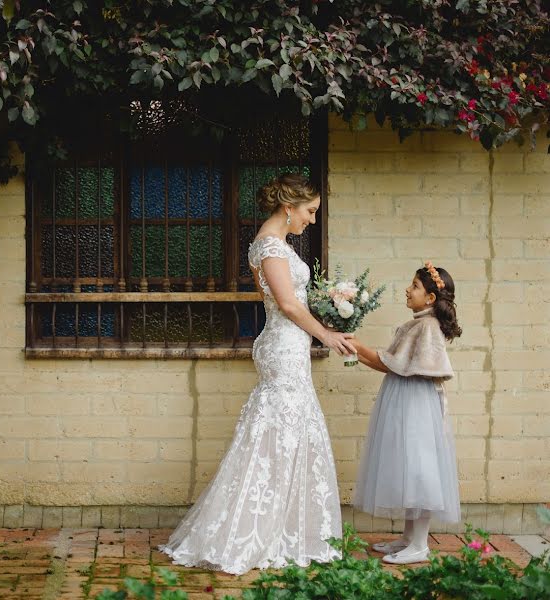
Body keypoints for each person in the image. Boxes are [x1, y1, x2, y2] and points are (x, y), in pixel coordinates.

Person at [159, 174, 356, 574]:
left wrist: (329, 304)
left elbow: (294, 297)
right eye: (310, 212)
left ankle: (282, 528)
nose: (312, 220)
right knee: (279, 435)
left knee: (282, 434)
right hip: (283, 348)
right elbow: (285, 302)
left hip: (288, 346)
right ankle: (253, 533)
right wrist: (327, 334)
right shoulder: (269, 245)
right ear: (289, 207)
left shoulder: (274, 244)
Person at [350, 262, 462, 565]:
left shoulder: (426, 327)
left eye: (414, 285)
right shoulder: (418, 322)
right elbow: (392, 362)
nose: (407, 289)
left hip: (416, 401)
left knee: (420, 468)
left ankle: (420, 544)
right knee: (409, 465)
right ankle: (408, 538)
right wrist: (357, 352)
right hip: (406, 397)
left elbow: (392, 364)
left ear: (429, 298)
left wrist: (359, 346)